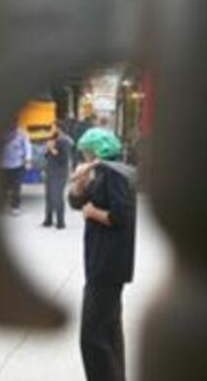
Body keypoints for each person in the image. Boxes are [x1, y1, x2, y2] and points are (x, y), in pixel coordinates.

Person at [69, 127, 136, 381]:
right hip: (101, 262)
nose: (85, 157)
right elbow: (75, 202)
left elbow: (122, 215)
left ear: (99, 151)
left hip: (108, 264)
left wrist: (93, 213)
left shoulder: (115, 175)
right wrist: (79, 183)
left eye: (88, 152)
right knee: (109, 330)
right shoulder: (99, 173)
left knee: (92, 337)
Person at [42, 124, 75, 229]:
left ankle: (61, 222)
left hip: (59, 174)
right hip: (50, 172)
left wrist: (52, 149)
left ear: (58, 129)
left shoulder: (64, 141)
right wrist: (47, 150)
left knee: (57, 197)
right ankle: (48, 220)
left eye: (52, 127)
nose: (50, 129)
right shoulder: (53, 139)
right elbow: (47, 156)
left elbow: (63, 159)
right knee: (48, 197)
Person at [0, 125, 31, 215]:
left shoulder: (22, 133)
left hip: (17, 165)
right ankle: (2, 205)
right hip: (3, 166)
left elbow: (27, 146)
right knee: (3, 188)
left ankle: (15, 207)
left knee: (16, 187)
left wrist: (28, 160)